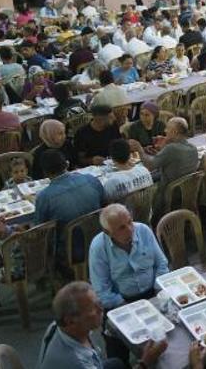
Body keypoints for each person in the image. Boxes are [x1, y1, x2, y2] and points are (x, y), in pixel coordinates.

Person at [39, 281, 167, 369]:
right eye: (92, 309)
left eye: (99, 303)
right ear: (70, 321)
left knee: (116, 363)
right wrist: (145, 362)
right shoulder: (78, 363)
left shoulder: (57, 326)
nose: (102, 309)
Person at [89, 203, 168, 309]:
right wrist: (127, 307)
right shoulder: (98, 247)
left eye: (130, 222)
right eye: (122, 228)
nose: (130, 230)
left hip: (154, 292)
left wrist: (158, 292)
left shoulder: (143, 230)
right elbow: (101, 291)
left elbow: (162, 263)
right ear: (108, 232)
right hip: (123, 302)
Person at [34, 149, 104, 260]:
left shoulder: (44, 197)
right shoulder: (91, 179)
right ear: (67, 164)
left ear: (45, 173)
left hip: (70, 251)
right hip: (100, 238)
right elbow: (104, 204)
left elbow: (39, 231)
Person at [128, 117, 199, 219]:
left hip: (170, 194)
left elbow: (150, 166)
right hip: (188, 192)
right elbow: (171, 161)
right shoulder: (192, 148)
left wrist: (140, 149)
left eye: (167, 129)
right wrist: (160, 152)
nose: (165, 131)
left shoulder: (171, 149)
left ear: (174, 132)